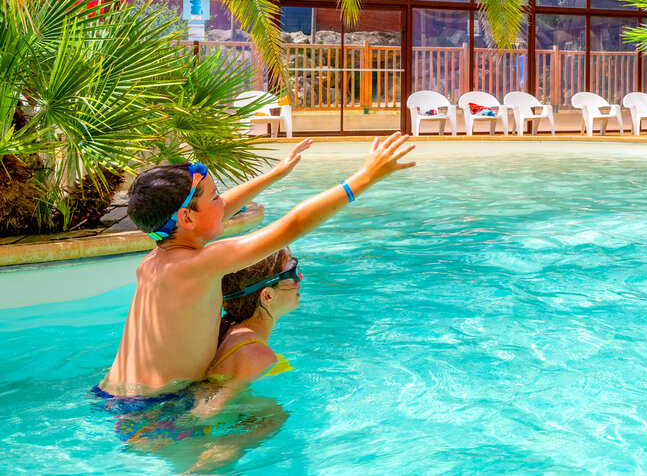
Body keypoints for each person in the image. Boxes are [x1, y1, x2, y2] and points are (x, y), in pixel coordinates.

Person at [95, 133, 415, 404]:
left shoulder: (159, 255)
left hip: (111, 394)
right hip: (157, 409)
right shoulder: (199, 265)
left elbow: (212, 213)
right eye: (216, 197)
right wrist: (364, 178)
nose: (226, 204)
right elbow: (292, 226)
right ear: (188, 219)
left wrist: (275, 175)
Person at [207, 248, 301, 386]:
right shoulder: (257, 355)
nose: (300, 277)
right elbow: (218, 406)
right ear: (267, 296)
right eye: (291, 272)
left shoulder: (225, 330)